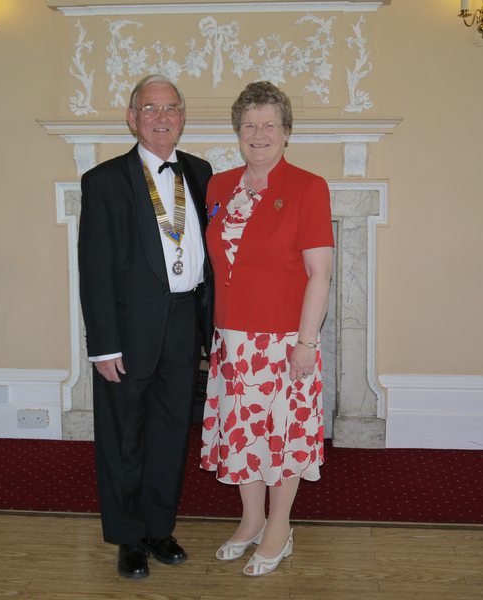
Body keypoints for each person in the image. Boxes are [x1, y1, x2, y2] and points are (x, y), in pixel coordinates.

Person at [78, 74, 213, 579]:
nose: (161, 118)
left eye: (170, 108)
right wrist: (103, 345)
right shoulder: (104, 181)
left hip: (184, 323)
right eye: (150, 109)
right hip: (128, 331)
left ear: (183, 117)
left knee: (171, 434)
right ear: (132, 117)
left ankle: (159, 529)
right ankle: (128, 537)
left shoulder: (200, 172)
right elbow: (94, 269)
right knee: (124, 438)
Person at [199, 81, 334, 576]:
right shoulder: (218, 186)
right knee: (243, 434)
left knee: (282, 436)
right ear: (238, 131)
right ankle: (251, 519)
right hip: (232, 339)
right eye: (249, 124)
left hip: (284, 341)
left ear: (286, 131)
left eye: (269, 125)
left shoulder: (308, 187)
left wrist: (306, 343)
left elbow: (320, 273)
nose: (259, 134)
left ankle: (279, 526)